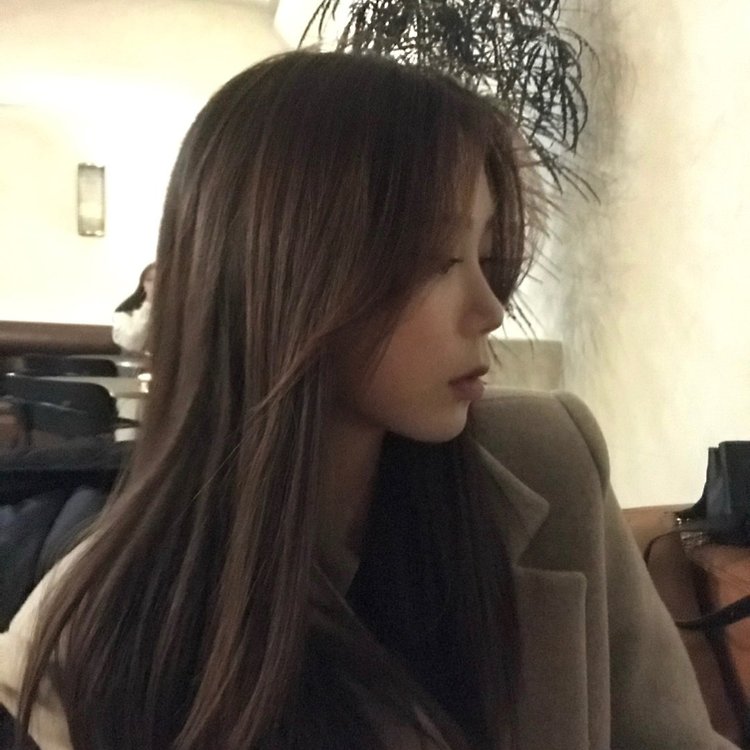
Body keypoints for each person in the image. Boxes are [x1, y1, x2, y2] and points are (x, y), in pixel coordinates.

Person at [0, 51, 737, 750]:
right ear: (285, 276)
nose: (489, 308)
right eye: (436, 259)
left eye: (488, 256)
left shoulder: (549, 458)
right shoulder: (89, 640)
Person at [111, 262, 155, 353]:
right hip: (136, 360)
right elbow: (132, 343)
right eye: (150, 280)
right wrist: (148, 304)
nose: (154, 284)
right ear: (143, 284)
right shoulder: (125, 311)